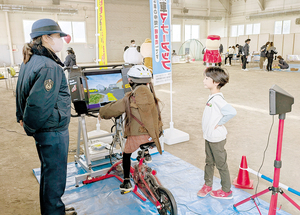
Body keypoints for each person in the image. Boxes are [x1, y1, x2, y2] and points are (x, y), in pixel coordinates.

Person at [15, 19, 76, 215]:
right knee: (55, 177)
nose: (62, 40)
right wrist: (30, 127)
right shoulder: (50, 67)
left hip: (45, 129)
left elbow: (21, 92)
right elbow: (38, 104)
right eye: (59, 36)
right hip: (52, 131)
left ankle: (54, 209)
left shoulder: (31, 59)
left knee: (49, 173)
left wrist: (21, 117)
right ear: (46, 38)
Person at [98, 65, 163, 192]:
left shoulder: (130, 97)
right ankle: (146, 154)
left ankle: (127, 181)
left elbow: (114, 108)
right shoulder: (152, 95)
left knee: (126, 154)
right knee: (143, 140)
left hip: (139, 136)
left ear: (130, 81)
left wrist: (101, 112)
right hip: (155, 134)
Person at [197, 67, 237, 200]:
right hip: (208, 136)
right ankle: (207, 185)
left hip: (216, 138)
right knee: (209, 162)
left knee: (221, 164)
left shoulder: (218, 99)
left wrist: (220, 123)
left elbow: (231, 112)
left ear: (215, 82)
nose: (204, 80)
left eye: (207, 78)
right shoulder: (212, 97)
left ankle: (226, 190)